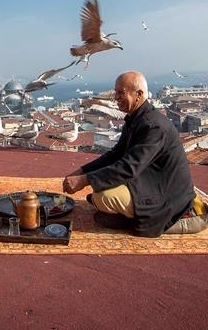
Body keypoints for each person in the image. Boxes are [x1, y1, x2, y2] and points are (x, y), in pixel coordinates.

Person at [62, 70, 197, 237]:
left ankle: (137, 220)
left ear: (138, 95)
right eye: (115, 92)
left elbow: (129, 167)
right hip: (150, 181)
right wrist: (82, 171)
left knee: (103, 196)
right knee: (102, 191)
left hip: (168, 195)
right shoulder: (135, 119)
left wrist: (85, 180)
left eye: (121, 93)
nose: (116, 97)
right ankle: (125, 213)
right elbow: (115, 155)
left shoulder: (153, 126)